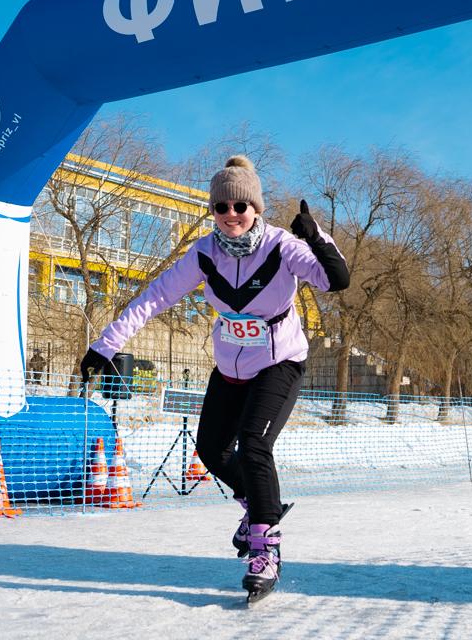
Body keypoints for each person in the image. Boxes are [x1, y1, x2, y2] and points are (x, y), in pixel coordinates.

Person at [82, 156, 349, 598]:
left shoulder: (282, 247)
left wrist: (316, 236)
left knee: (254, 442)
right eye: (221, 207)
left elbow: (335, 280)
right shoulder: (204, 254)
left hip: (279, 363)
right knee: (210, 448)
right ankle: (261, 506)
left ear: (256, 209)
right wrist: (105, 345)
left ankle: (267, 548)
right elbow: (155, 297)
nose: (231, 215)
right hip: (230, 367)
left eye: (240, 207)